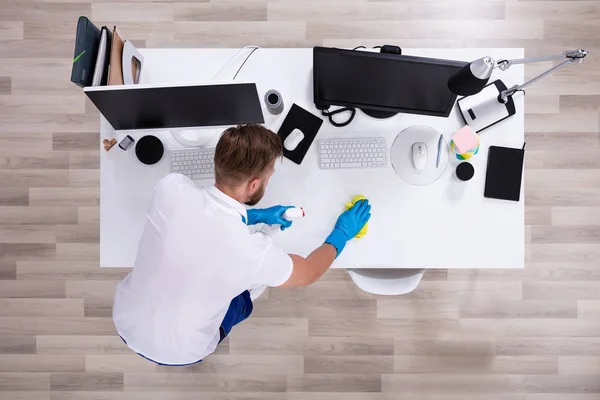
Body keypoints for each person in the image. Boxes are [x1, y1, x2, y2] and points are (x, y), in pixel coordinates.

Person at [112, 124, 371, 366]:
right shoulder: (252, 253)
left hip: (126, 321)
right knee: (244, 297)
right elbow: (309, 273)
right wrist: (342, 233)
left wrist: (255, 215)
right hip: (183, 352)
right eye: (270, 175)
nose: (269, 180)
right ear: (255, 184)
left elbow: (209, 210)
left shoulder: (170, 188)